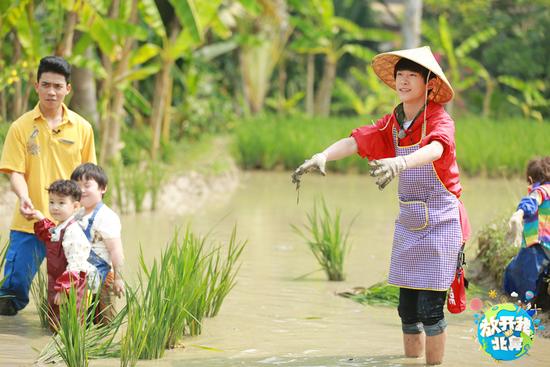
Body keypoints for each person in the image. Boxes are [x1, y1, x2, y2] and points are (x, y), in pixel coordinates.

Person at [292, 46, 470, 365]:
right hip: (410, 222)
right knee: (406, 310)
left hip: (442, 222)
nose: (403, 82)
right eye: (400, 76)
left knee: (431, 311)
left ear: (428, 83)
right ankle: (410, 361)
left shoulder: (440, 121)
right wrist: (322, 155)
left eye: (411, 76)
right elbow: (359, 141)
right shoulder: (394, 123)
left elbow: (435, 151)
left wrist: (400, 165)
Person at [0, 56, 96, 316]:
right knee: (11, 292)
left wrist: (91, 218)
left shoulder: (83, 128)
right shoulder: (20, 127)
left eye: (57, 85)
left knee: (69, 290)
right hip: (30, 221)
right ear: (36, 86)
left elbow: (88, 178)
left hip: (70, 227)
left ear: (68, 89)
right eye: (46, 85)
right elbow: (15, 171)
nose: (51, 91)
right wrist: (23, 197)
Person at [32, 179, 97, 329]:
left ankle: (73, 350)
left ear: (75, 206)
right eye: (52, 202)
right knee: (56, 322)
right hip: (57, 281)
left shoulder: (73, 231)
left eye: (61, 203)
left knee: (70, 325)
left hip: (71, 284)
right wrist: (40, 217)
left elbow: (76, 264)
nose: (55, 207)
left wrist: (64, 290)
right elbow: (51, 235)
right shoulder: (61, 226)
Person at [71, 163, 125, 325]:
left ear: (103, 188)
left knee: (106, 324)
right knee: (78, 324)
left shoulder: (107, 217)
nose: (81, 190)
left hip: (102, 278)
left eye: (87, 185)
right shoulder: (77, 214)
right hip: (78, 278)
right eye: (77, 185)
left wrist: (118, 278)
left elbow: (116, 250)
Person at [504, 157, 550, 306]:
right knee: (542, 281)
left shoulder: (541, 190)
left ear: (530, 179)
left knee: (516, 275)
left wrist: (519, 213)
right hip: (546, 248)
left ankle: (519, 305)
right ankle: (540, 306)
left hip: (538, 246)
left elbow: (531, 201)